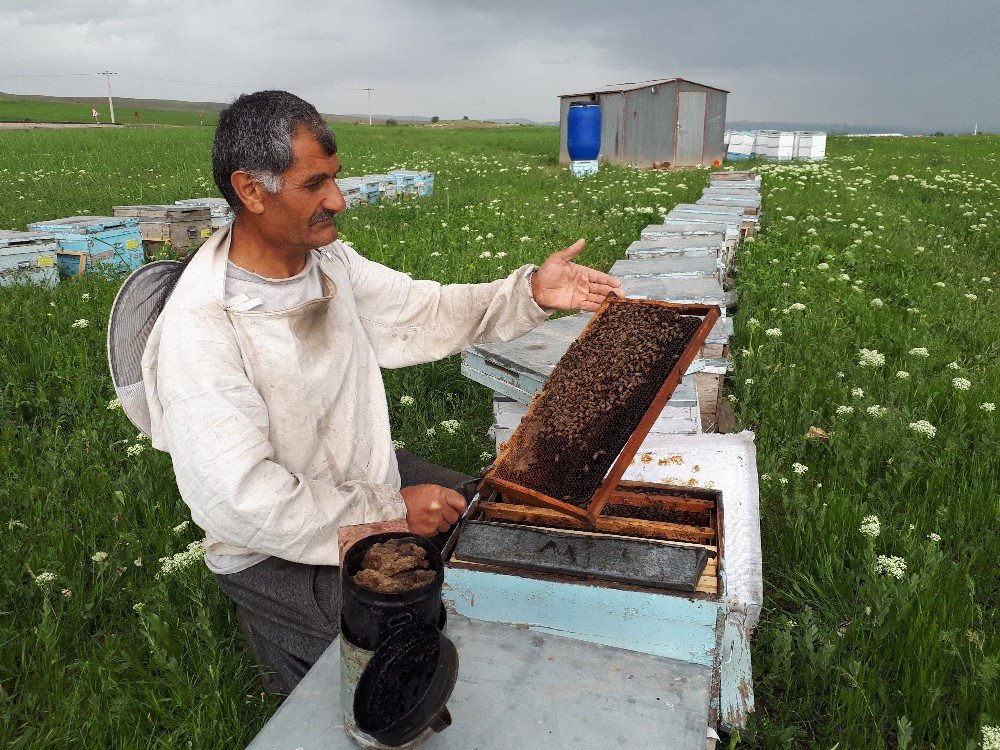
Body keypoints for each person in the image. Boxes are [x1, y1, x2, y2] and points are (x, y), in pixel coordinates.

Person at [139, 90, 622, 694]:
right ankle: (280, 631)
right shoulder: (203, 327)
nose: (336, 200)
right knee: (409, 648)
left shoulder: (329, 262)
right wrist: (389, 514)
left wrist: (527, 293)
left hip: (360, 472)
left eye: (334, 179)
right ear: (251, 190)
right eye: (314, 184)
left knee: (485, 514)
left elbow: (423, 310)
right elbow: (239, 500)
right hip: (273, 546)